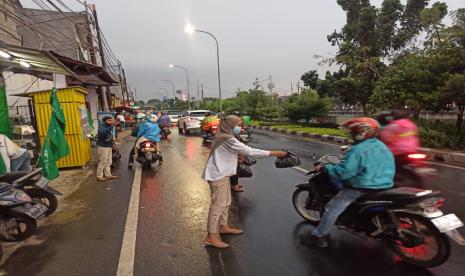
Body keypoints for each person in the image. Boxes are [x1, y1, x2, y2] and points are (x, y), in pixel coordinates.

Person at [300, 117, 395, 248]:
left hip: (362, 186)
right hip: (385, 184)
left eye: (353, 131)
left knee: (332, 208)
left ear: (361, 132)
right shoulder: (381, 145)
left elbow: (344, 173)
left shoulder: (358, 149)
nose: (351, 133)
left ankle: (319, 236)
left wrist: (325, 167)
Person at [202, 115, 288, 248]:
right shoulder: (226, 138)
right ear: (230, 125)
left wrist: (237, 158)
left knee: (225, 203)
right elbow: (250, 151)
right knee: (218, 206)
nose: (240, 126)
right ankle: (210, 237)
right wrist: (275, 153)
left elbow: (227, 153)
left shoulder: (224, 135)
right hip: (217, 175)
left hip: (222, 173)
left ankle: (223, 227)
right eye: (238, 124)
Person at [96, 116, 119, 181]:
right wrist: (112, 126)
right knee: (103, 162)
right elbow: (103, 133)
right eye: (109, 120)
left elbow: (110, 136)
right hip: (103, 146)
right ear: (105, 121)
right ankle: (99, 176)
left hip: (108, 146)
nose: (111, 121)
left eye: (112, 120)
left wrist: (113, 144)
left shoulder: (109, 126)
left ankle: (108, 175)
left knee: (109, 162)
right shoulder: (102, 126)